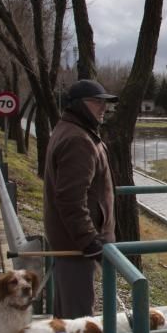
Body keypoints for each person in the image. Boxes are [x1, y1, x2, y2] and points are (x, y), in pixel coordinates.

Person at [43, 79, 118, 318]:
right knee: (78, 320)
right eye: (96, 102)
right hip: (77, 247)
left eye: (104, 103)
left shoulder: (73, 130)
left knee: (67, 314)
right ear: (78, 105)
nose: (103, 108)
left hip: (71, 242)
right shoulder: (79, 140)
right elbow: (71, 199)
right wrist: (89, 242)